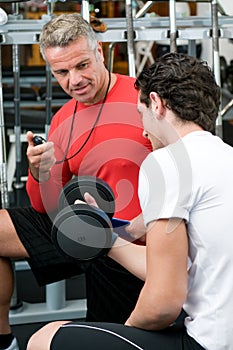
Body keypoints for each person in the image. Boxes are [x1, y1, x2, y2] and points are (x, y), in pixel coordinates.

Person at [26, 52, 233, 350]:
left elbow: (162, 303)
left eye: (141, 113)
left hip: (208, 344)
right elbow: (169, 271)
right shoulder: (225, 157)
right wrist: (109, 237)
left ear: (157, 104)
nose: (144, 130)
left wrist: (125, 336)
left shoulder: (166, 163)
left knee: (44, 338)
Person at [0, 13, 152, 350]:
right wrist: (41, 172)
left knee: (117, 334)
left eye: (82, 65)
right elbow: (43, 206)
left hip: (139, 241)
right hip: (88, 227)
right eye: (62, 73)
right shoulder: (63, 118)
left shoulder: (146, 98)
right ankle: (3, 341)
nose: (75, 80)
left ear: (99, 51)